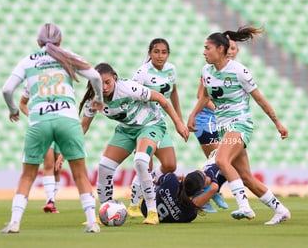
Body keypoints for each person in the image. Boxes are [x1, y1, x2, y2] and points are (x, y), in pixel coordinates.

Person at [1, 23, 104, 234]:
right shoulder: (67, 56)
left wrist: (13, 110)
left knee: (28, 175)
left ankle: (15, 222)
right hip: (67, 118)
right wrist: (99, 100)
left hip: (39, 120)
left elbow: (7, 89)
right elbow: (95, 77)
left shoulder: (28, 60)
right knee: (80, 174)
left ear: (38, 41)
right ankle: (92, 222)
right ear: (60, 41)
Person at [187, 25, 291, 225]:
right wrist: (193, 115)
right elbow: (205, 96)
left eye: (207, 47)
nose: (204, 52)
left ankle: (244, 207)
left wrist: (277, 123)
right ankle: (281, 210)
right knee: (246, 177)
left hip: (240, 124)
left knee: (221, 160)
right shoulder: (207, 71)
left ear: (220, 49)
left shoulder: (239, 71)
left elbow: (260, 99)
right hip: (224, 127)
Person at [79, 62, 189, 225]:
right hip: (126, 130)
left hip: (149, 124)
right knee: (104, 167)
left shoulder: (128, 88)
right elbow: (84, 125)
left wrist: (179, 123)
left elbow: (161, 99)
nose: (104, 87)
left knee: (141, 161)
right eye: (99, 83)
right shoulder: (94, 99)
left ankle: (152, 212)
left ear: (114, 79)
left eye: (107, 82)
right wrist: (64, 151)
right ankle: (105, 211)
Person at [127, 38, 183, 217]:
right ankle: (134, 204)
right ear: (150, 53)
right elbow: (131, 97)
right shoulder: (142, 73)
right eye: (156, 52)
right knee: (145, 163)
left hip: (161, 123)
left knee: (170, 164)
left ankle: (146, 185)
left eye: (164, 52)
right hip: (144, 124)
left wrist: (179, 119)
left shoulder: (171, 70)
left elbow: (173, 93)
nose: (160, 56)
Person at [193, 39, 239, 213]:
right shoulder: (210, 71)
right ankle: (203, 191)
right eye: (229, 48)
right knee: (220, 159)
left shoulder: (234, 71)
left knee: (224, 159)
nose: (231, 51)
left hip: (221, 122)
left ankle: (213, 189)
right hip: (206, 121)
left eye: (234, 48)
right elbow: (201, 96)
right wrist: (222, 110)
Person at [140, 156, 227, 223]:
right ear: (200, 191)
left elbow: (158, 181)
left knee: (160, 184)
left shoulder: (171, 180)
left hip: (145, 209)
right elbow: (214, 187)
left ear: (185, 177)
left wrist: (176, 180)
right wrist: (212, 178)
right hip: (160, 216)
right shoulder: (191, 214)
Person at [19, 86, 63, 213]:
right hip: (43, 128)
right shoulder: (36, 82)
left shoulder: (62, 84)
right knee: (49, 163)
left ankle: (52, 201)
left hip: (60, 128)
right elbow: (22, 104)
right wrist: (32, 116)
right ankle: (50, 201)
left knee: (57, 167)